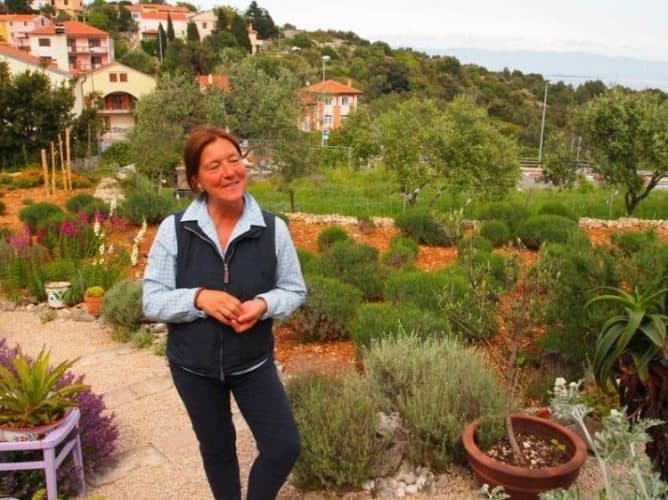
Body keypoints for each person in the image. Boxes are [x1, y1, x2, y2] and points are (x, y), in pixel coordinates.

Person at [143, 124, 306, 500]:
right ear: (197, 179)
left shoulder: (272, 228)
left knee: (283, 446)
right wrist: (199, 299)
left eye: (234, 159)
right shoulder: (175, 230)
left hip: (252, 363)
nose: (229, 171)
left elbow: (294, 289)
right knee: (217, 451)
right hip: (192, 368)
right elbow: (152, 299)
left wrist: (264, 305)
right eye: (214, 165)